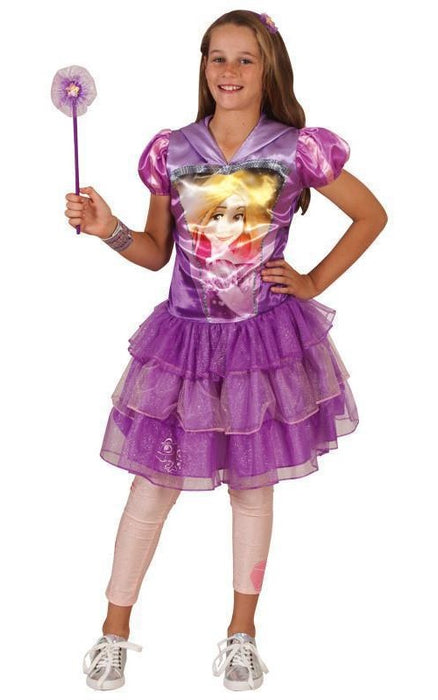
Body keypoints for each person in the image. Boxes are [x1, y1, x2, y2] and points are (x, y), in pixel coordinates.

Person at [67, 9, 387, 692]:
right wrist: (109, 228)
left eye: (246, 59)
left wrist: (312, 281)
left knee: (252, 485)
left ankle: (242, 635)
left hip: (260, 342)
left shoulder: (297, 149)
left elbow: (371, 215)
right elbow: (155, 253)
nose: (230, 71)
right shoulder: (173, 150)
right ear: (203, 66)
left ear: (269, 68)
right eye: (218, 57)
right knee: (152, 484)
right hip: (185, 341)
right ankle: (113, 633)